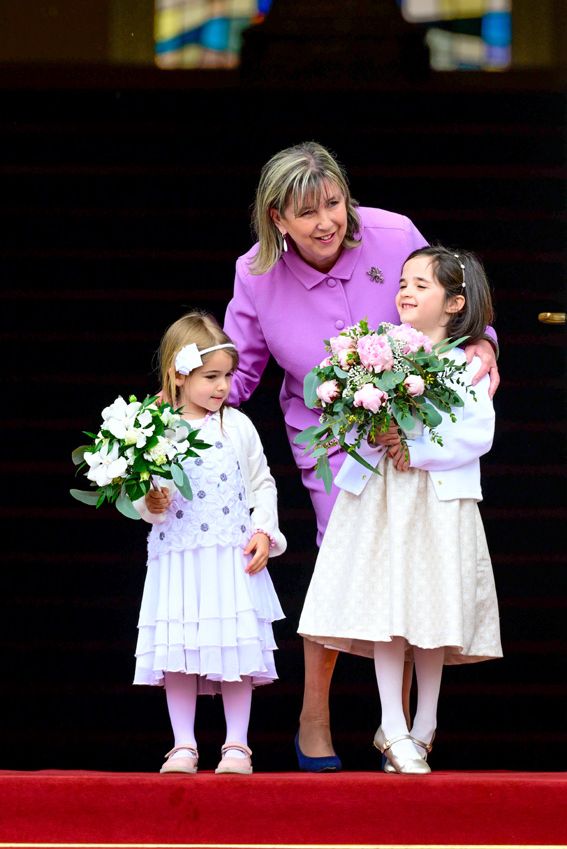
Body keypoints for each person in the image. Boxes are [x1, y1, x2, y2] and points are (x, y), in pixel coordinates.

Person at [223, 141, 500, 771]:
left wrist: (485, 347)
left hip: (414, 431)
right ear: (277, 220)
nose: (327, 222)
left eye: (334, 203)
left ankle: (396, 729)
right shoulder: (256, 273)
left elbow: (457, 304)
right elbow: (239, 376)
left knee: (408, 556)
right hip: (330, 437)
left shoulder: (393, 232)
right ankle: (315, 714)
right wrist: (186, 399)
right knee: (347, 556)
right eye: (307, 213)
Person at [298, 245, 503, 774]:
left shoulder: (466, 363)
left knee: (433, 613)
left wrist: (418, 449)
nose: (406, 292)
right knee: (387, 608)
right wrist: (373, 431)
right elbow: (354, 417)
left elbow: (477, 432)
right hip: (385, 501)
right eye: (404, 282)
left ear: (455, 303)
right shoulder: (376, 350)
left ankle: (425, 725)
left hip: (436, 502)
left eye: (421, 285)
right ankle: (391, 724)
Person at [133, 310, 287, 775]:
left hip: (230, 556)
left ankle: (236, 744)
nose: (222, 387)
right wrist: (149, 502)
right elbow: (139, 486)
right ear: (178, 376)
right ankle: (184, 744)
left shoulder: (236, 426)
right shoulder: (154, 428)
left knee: (234, 646)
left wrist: (264, 531)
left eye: (227, 376)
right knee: (179, 649)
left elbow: (262, 484)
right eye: (210, 377)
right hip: (178, 557)